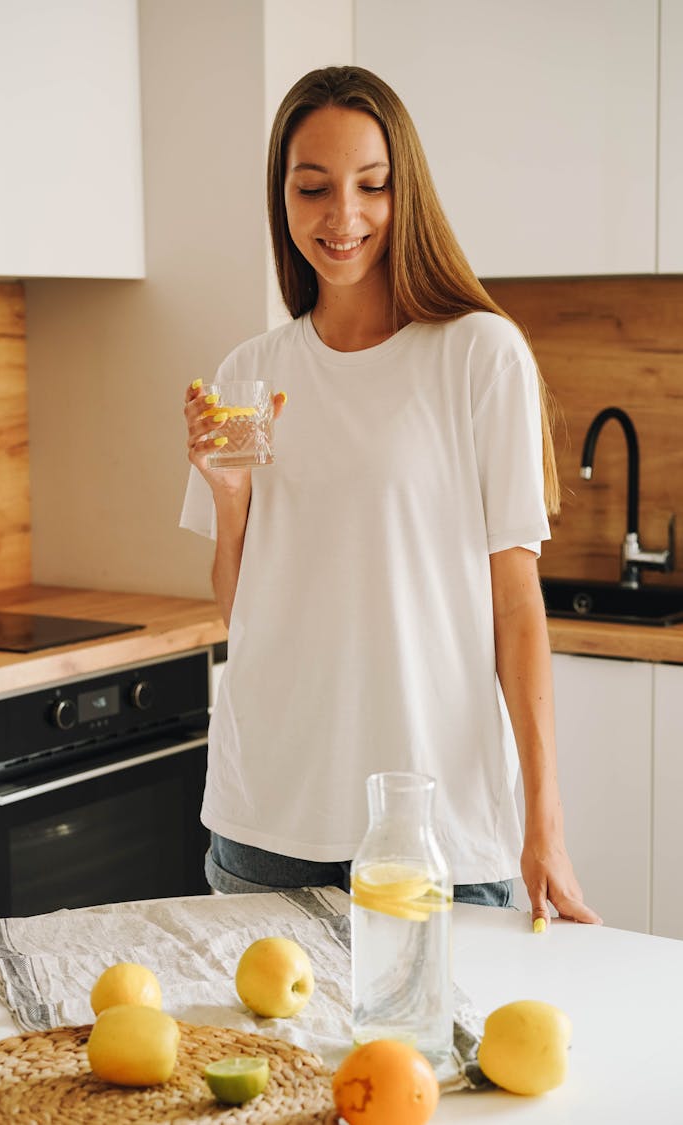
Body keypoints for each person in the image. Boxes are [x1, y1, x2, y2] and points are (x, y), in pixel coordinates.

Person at [180, 65, 601, 929]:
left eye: (371, 185)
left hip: (436, 827)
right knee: (264, 1065)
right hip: (268, 821)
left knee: (438, 1068)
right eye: (314, 188)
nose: (344, 216)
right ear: (283, 198)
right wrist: (229, 499)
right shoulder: (248, 375)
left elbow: (517, 607)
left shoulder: (479, 356)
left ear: (405, 190)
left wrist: (544, 821)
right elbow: (242, 613)